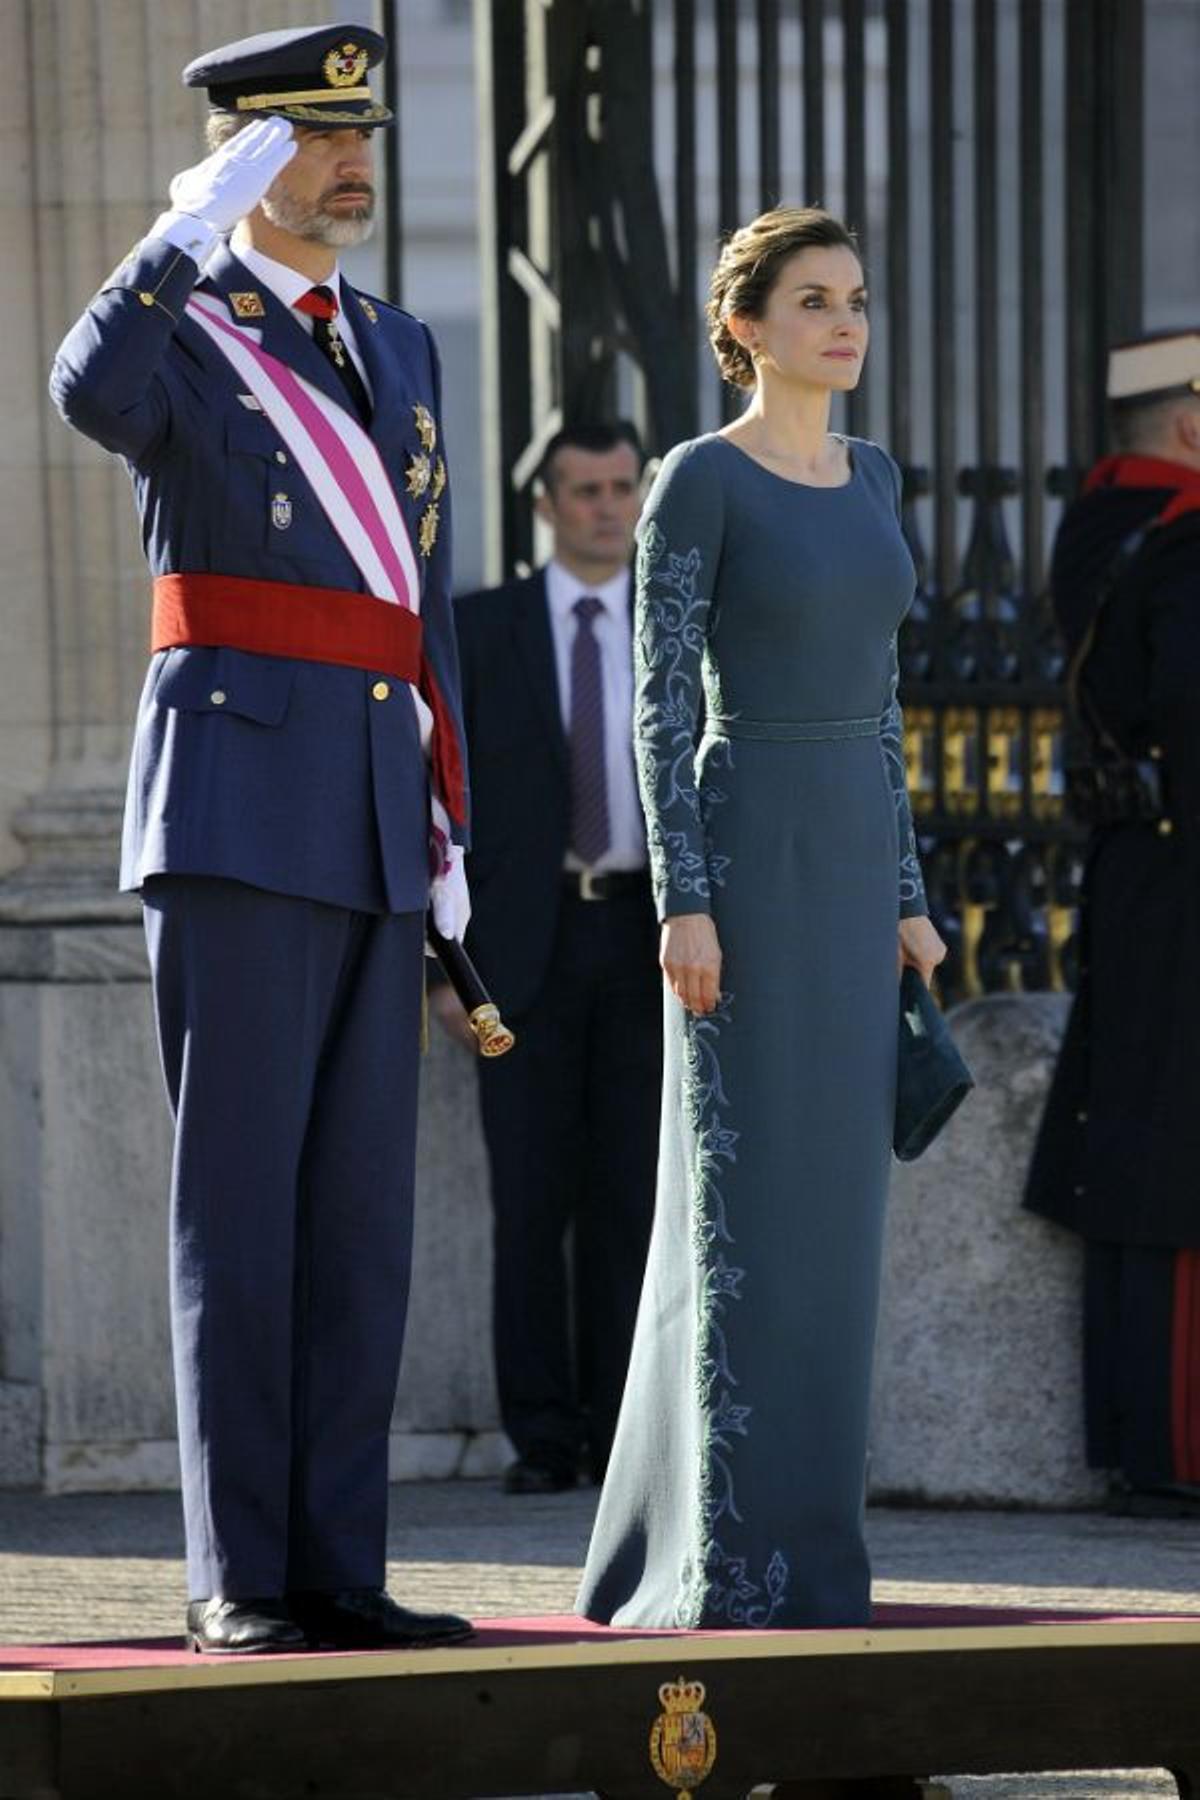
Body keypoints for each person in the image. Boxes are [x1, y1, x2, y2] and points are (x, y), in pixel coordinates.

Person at [49, 24, 474, 1654]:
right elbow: (86, 394)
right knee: (242, 1213)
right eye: (310, 136)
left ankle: (339, 1569)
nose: (350, 161)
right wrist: (175, 234)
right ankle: (240, 1578)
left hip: (372, 821)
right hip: (237, 810)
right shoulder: (193, 328)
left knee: (359, 1221)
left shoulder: (398, 342)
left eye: (358, 132)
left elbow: (415, 610)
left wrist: (449, 836)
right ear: (242, 154)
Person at [575, 206, 945, 1632]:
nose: (844, 323)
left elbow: (889, 700)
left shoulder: (876, 475)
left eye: (855, 298)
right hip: (745, 861)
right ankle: (718, 1567)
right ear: (744, 326)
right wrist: (685, 901)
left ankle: (818, 1557)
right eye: (811, 301)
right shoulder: (694, 481)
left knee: (836, 1233)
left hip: (853, 865)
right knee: (744, 1218)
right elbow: (661, 703)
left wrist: (909, 899)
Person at [431, 422, 662, 1494]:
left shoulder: (676, 625)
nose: (606, 508)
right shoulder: (481, 629)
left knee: (631, 1196)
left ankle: (623, 1428)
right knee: (530, 1200)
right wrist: (443, 965)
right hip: (517, 954)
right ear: (546, 505)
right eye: (585, 490)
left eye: (622, 487)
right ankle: (543, 1436)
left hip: (646, 941)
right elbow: (432, 804)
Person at [1025, 329, 1200, 1516]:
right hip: (1186, 886)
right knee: (1178, 1168)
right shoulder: (1186, 545)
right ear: (1190, 426)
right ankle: (1173, 1448)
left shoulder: (1103, 530)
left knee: (1143, 1151)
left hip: (1141, 878)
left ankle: (1144, 1436)